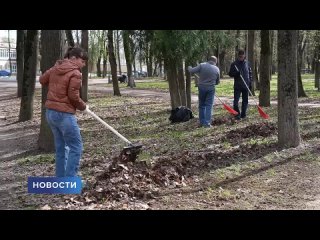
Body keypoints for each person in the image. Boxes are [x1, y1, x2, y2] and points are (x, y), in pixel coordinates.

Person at [39, 47, 88, 177]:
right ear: (74, 58)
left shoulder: (57, 67)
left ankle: (61, 180)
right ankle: (69, 181)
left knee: (61, 147)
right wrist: (83, 107)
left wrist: (54, 68)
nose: (84, 64)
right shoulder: (76, 73)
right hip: (64, 115)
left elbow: (42, 80)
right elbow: (73, 96)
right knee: (76, 147)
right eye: (82, 61)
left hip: (50, 113)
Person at [188, 56, 220, 128]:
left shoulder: (202, 65)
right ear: (215, 62)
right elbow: (218, 82)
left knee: (202, 105)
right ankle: (207, 123)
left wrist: (189, 67)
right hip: (211, 88)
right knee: (209, 105)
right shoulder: (217, 69)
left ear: (208, 60)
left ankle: (202, 122)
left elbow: (191, 71)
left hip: (202, 87)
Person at [228, 49, 252, 120]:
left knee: (245, 101)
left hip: (246, 85)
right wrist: (236, 74)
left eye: (242, 56)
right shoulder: (234, 64)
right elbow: (230, 74)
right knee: (235, 102)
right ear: (238, 56)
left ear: (244, 56)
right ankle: (237, 115)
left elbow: (250, 74)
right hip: (237, 86)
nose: (241, 58)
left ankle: (243, 115)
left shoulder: (247, 63)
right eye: (240, 56)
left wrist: (250, 83)